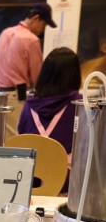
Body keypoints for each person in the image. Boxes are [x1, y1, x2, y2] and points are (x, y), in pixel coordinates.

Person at [18, 47, 81, 192]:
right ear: (74, 75)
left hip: (29, 183)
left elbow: (21, 137)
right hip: (66, 183)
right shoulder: (80, 106)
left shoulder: (29, 106)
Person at [0, 2, 57, 138]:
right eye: (44, 25)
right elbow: (38, 78)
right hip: (14, 97)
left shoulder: (5, 33)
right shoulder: (31, 40)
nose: (43, 30)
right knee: (15, 140)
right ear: (36, 18)